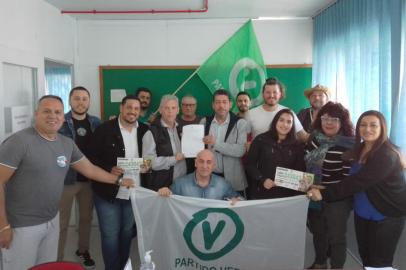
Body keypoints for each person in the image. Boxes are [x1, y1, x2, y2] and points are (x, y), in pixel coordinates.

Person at [0, 95, 133, 270]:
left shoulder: (66, 144)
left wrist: (119, 180)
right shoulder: (19, 142)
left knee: (46, 266)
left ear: (63, 117)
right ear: (36, 114)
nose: (52, 116)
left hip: (51, 220)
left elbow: (90, 170)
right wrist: (3, 226)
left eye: (57, 112)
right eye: (46, 111)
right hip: (22, 226)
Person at [308, 110, 406, 269]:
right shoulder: (359, 148)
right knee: (366, 259)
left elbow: (359, 181)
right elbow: (351, 179)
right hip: (363, 214)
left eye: (373, 125)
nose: (367, 129)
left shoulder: (386, 154)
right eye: (363, 125)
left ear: (383, 128)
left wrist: (324, 194)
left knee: (380, 264)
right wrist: (325, 186)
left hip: (386, 215)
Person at [88, 95, 149, 270]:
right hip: (107, 192)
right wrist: (109, 168)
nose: (133, 111)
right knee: (110, 235)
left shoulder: (145, 130)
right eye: (129, 107)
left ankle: (124, 266)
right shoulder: (103, 129)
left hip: (134, 192)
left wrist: (147, 166)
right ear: (121, 108)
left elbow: (150, 158)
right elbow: (90, 158)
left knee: (127, 234)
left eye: (137, 109)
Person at [304, 102, 355, 269]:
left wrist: (324, 190)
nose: (329, 122)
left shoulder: (349, 144)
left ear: (342, 122)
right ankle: (320, 263)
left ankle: (336, 266)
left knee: (336, 237)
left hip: (338, 197)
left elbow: (348, 179)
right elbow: (304, 164)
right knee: (318, 234)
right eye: (325, 118)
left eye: (334, 119)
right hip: (313, 195)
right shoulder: (314, 139)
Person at [57, 86, 101, 267]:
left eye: (84, 98)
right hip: (66, 180)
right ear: (69, 100)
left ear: (89, 101)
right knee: (62, 223)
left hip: (88, 180)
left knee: (86, 219)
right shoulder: (60, 121)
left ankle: (83, 250)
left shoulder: (96, 122)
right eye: (77, 98)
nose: (81, 102)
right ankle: (57, 259)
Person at [246, 109, 305, 199]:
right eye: (281, 120)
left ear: (292, 125)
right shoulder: (261, 139)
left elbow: (300, 169)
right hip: (263, 192)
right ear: (275, 121)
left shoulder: (297, 145)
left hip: (287, 196)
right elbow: (250, 165)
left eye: (289, 122)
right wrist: (262, 179)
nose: (285, 125)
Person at [200, 89, 248, 195]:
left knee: (235, 210)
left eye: (224, 102)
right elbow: (199, 149)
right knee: (212, 209)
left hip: (234, 179)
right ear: (213, 105)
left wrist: (215, 143)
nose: (221, 106)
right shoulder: (204, 122)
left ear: (230, 104)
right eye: (217, 102)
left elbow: (240, 151)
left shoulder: (240, 123)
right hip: (210, 177)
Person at [158, 150, 241, 203]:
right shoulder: (180, 184)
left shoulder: (223, 184)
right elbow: (167, 203)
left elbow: (241, 201)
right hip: (188, 228)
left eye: (208, 162)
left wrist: (238, 201)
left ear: (214, 165)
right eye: (201, 161)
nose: (204, 166)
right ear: (195, 163)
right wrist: (164, 193)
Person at [142, 95, 187, 191]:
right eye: (166, 108)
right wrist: (173, 159)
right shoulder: (151, 133)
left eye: (173, 108)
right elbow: (147, 163)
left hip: (182, 183)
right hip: (161, 186)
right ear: (161, 110)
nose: (170, 111)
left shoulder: (183, 129)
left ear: (178, 110)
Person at [177, 95, 202, 174]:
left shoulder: (203, 121)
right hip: (179, 161)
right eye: (185, 105)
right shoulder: (174, 121)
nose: (188, 108)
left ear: (196, 106)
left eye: (191, 105)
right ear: (181, 106)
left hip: (198, 161)